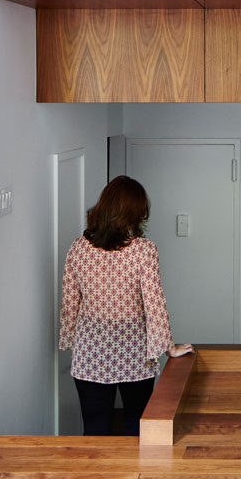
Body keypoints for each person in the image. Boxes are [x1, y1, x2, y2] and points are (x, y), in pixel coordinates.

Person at [59, 175, 193, 435]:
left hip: (91, 351)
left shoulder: (78, 248)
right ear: (135, 213)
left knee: (95, 430)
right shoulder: (144, 250)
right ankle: (137, 475)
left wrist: (70, 339)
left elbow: (69, 300)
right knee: (138, 426)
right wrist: (168, 347)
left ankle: (97, 477)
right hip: (134, 351)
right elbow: (154, 303)